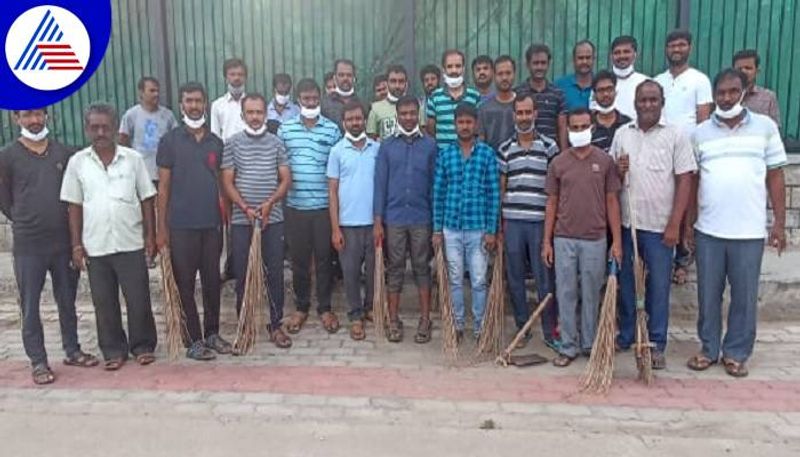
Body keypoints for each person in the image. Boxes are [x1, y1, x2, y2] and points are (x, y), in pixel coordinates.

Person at [685, 68, 787, 378]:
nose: (726, 98)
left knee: (743, 295)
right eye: (721, 93)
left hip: (749, 230)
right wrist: (689, 224)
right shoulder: (700, 133)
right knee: (708, 294)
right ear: (714, 95)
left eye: (732, 91)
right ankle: (708, 348)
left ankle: (736, 352)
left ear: (743, 92)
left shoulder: (765, 128)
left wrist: (779, 224)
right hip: (709, 230)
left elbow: (776, 177)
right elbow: (693, 180)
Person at [0, 109, 98, 385]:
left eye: (38, 115)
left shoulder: (64, 154)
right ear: (16, 119)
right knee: (30, 304)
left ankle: (72, 349)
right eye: (27, 116)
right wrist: (24, 218)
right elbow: (5, 199)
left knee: (67, 299)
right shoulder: (7, 156)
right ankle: (38, 361)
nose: (34, 121)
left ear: (48, 117)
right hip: (29, 243)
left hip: (64, 241)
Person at [60, 104, 158, 371]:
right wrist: (76, 244)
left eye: (105, 127)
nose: (100, 132)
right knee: (104, 302)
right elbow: (74, 205)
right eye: (95, 127)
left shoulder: (133, 159)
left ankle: (143, 346)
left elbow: (147, 199)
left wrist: (151, 236)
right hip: (96, 244)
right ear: (86, 129)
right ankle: (113, 350)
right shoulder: (78, 162)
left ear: (115, 128)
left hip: (130, 241)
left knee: (138, 299)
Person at [611, 80, 696, 369]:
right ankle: (626, 335)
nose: (647, 105)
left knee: (658, 287)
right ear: (635, 103)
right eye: (642, 100)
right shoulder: (623, 134)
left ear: (662, 102)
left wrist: (676, 224)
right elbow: (611, 179)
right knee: (627, 284)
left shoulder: (676, 135)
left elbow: (685, 180)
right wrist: (618, 170)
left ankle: (656, 343)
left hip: (661, 228)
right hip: (628, 224)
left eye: (653, 100)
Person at [156, 82, 231, 361]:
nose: (194, 106)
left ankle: (212, 333)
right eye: (189, 101)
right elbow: (162, 188)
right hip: (180, 226)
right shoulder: (170, 141)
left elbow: (223, 186)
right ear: (181, 104)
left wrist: (227, 221)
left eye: (199, 101)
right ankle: (194, 340)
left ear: (205, 103)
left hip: (211, 225)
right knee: (184, 284)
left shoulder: (216, 143)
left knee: (212, 281)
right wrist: (161, 230)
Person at [543, 107, 622, 367]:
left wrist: (617, 242)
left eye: (583, 127)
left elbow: (612, 201)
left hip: (595, 239)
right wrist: (547, 241)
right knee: (566, 292)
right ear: (568, 130)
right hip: (563, 237)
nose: (579, 131)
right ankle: (568, 346)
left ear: (592, 128)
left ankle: (589, 344)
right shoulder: (559, 163)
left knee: (591, 292)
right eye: (574, 128)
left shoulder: (605, 161)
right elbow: (552, 203)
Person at [222, 93, 293, 349]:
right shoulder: (232, 143)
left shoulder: (275, 143)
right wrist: (245, 207)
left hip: (272, 220)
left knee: (274, 274)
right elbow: (227, 181)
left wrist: (269, 203)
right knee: (243, 274)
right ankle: (245, 325)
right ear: (242, 116)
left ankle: (275, 325)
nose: (255, 117)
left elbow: (285, 179)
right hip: (243, 221)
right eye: (250, 113)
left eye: (259, 112)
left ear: (266, 114)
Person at [277, 78, 342, 335]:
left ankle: (325, 307)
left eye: (315, 99)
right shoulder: (285, 129)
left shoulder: (332, 130)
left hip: (324, 207)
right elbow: (280, 165)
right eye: (306, 99)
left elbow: (336, 169)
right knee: (299, 260)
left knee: (325, 259)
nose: (311, 103)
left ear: (320, 99)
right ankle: (301, 306)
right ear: (298, 100)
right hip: (295, 206)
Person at [496, 94, 560, 350]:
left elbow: (555, 190)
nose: (524, 117)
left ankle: (549, 329)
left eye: (528, 112)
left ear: (535, 114)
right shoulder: (504, 149)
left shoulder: (549, 147)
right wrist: (499, 226)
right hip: (513, 222)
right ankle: (522, 327)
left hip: (539, 223)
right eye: (519, 113)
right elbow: (502, 189)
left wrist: (551, 228)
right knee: (515, 277)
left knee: (545, 277)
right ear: (514, 116)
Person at [432, 103, 500, 341]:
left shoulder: (487, 154)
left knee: (480, 280)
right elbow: (438, 193)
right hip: (450, 228)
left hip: (478, 229)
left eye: (469, 122)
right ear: (454, 125)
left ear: (476, 124)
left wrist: (492, 230)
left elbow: (493, 194)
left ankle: (480, 327)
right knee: (455, 279)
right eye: (460, 122)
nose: (465, 126)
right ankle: (458, 325)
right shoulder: (446, 154)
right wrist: (436, 229)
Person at [373, 95, 437, 344]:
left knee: (422, 268)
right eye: (404, 113)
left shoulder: (430, 146)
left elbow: (435, 185)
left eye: (413, 113)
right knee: (395, 268)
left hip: (422, 217)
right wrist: (378, 221)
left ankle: (424, 319)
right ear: (397, 116)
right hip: (394, 218)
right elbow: (380, 185)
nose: (409, 118)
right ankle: (393, 320)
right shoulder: (387, 146)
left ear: (419, 115)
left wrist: (436, 223)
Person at [654, 30, 713, 285]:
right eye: (672, 45)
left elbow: (703, 119)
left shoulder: (700, 80)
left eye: (681, 44)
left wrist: (699, 155)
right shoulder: (658, 80)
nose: (676, 49)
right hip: (662, 152)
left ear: (690, 47)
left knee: (686, 208)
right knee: (665, 207)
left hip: (688, 154)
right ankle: (663, 260)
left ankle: (682, 261)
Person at [328, 101, 380, 341]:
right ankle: (355, 316)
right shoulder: (337, 151)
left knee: (373, 271)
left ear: (365, 120)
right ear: (344, 122)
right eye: (350, 119)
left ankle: (370, 309)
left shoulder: (377, 149)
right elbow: (332, 191)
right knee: (350, 273)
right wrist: (335, 228)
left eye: (359, 118)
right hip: (347, 225)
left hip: (373, 223)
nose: (355, 123)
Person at [118, 76, 178, 185]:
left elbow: (176, 140)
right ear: (141, 93)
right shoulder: (131, 115)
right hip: (140, 173)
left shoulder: (168, 115)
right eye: (152, 91)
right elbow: (122, 140)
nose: (156, 94)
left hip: (163, 173)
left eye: (157, 91)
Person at [515, 43, 568, 150]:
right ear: (528, 64)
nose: (539, 67)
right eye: (535, 63)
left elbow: (562, 127)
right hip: (523, 152)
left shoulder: (558, 94)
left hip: (551, 153)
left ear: (548, 64)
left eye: (543, 63)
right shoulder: (518, 93)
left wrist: (564, 154)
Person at [426, 49, 481, 150]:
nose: (454, 70)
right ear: (443, 69)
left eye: (458, 66)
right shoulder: (434, 98)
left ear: (463, 69)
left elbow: (478, 130)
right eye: (450, 66)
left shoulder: (475, 96)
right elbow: (431, 132)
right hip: (443, 158)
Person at [733, 49, 781, 128]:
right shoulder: (725, 96)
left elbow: (774, 129)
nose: (743, 71)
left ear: (757, 71)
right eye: (739, 69)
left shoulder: (768, 97)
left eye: (748, 68)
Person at [478, 55, 517, 150]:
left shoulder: (522, 106)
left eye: (508, 73)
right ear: (494, 75)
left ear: (514, 74)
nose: (504, 78)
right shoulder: (483, 108)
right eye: (500, 74)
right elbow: (481, 140)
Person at [590, 70, 632, 152]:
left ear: (615, 92)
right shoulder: (587, 124)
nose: (605, 94)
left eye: (609, 89)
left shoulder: (628, 124)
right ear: (594, 95)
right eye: (601, 90)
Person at [608, 35, 649, 120]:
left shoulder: (646, 82)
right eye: (617, 52)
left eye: (626, 52)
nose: (622, 56)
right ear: (611, 56)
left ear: (635, 55)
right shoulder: (602, 83)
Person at [210, 58, 248, 142]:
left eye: (240, 74)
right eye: (232, 74)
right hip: (226, 152)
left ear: (245, 78)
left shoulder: (253, 104)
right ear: (226, 78)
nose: (236, 78)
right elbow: (215, 136)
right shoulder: (217, 105)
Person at [367, 65, 408, 140]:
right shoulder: (375, 109)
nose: (397, 86)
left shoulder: (416, 106)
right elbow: (371, 141)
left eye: (401, 81)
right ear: (387, 83)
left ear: (406, 83)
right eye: (393, 81)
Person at [322, 58, 361, 129]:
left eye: (349, 75)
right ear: (334, 78)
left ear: (354, 78)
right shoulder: (324, 103)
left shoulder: (362, 103)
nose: (345, 78)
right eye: (341, 75)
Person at [555, 40, 595, 110]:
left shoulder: (600, 85)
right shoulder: (559, 86)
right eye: (580, 58)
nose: (584, 61)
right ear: (573, 60)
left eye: (588, 58)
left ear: (594, 59)